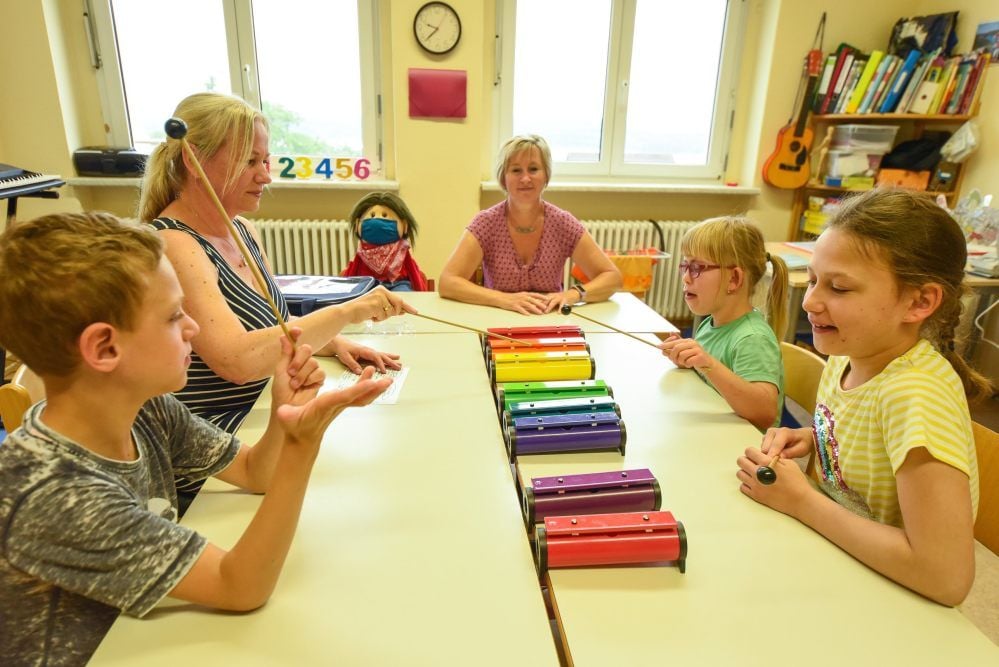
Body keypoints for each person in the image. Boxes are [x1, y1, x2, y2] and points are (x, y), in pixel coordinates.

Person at [0, 212, 394, 664]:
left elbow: (252, 471)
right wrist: (302, 448)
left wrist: (286, 421)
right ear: (105, 349)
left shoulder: (143, 407)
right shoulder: (56, 494)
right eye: (174, 316)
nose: (193, 327)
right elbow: (240, 584)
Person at [736, 189, 990, 606]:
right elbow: (867, 443)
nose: (812, 301)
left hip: (888, 604)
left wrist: (801, 501)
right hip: (836, 566)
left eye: (839, 288)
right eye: (814, 279)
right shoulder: (851, 354)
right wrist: (814, 437)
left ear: (920, 301)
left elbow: (945, 577)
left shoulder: (917, 396)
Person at [139, 92, 412, 437]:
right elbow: (237, 360)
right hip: (216, 435)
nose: (265, 177)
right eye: (249, 162)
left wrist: (335, 341)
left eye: (265, 161)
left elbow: (276, 324)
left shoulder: (243, 230)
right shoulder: (175, 244)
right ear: (194, 162)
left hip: (262, 408)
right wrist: (346, 312)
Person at [438, 134, 622, 314]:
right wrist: (503, 299)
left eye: (533, 169)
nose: (525, 178)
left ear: (546, 176)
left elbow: (612, 277)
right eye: (516, 170)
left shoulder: (562, 223)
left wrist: (574, 294)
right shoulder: (486, 223)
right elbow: (447, 281)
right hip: (498, 323)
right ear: (504, 178)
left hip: (551, 324)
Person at [658, 216, 788, 431]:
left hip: (743, 449)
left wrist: (708, 364)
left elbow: (764, 413)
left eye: (697, 267)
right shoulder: (710, 324)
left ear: (734, 279)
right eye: (685, 266)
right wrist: (690, 361)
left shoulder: (752, 338)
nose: (686, 278)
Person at [342, 191, 429, 291]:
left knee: (404, 295)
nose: (377, 220)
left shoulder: (401, 249)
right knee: (360, 297)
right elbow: (354, 269)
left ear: (404, 226)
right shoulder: (363, 251)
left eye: (384, 215)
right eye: (372, 215)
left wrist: (420, 291)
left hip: (398, 283)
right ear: (357, 225)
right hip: (368, 284)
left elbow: (412, 270)